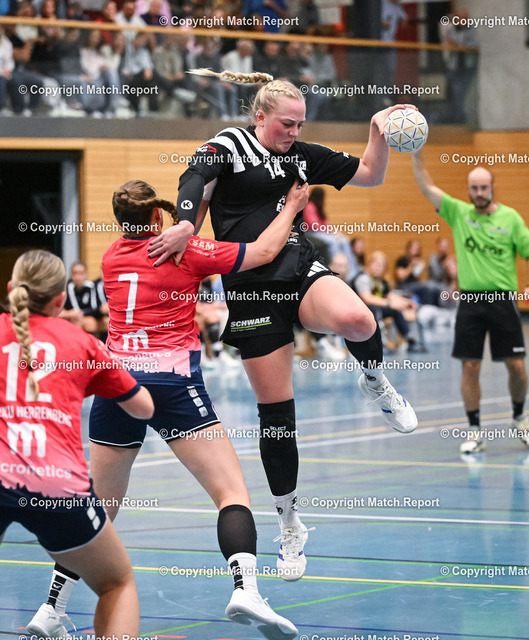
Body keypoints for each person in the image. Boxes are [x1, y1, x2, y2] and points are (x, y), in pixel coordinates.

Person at [148, 73, 419, 582]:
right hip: (251, 288)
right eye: (285, 124)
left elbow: (369, 174)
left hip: (297, 269)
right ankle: (289, 521)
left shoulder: (302, 154)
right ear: (260, 116)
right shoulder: (231, 143)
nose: (293, 132)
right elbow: (193, 178)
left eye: (299, 125)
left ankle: (376, 381)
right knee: (277, 417)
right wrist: (185, 222)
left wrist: (376, 133)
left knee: (359, 319)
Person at [28, 179, 308, 638]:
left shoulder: (111, 257)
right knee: (231, 493)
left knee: (98, 508)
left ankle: (50, 609)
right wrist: (293, 205)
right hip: (173, 386)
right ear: (158, 216)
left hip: (117, 386)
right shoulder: (187, 252)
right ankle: (246, 590)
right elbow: (262, 251)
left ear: (120, 220)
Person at [1, 250, 154, 637]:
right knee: (116, 583)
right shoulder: (81, 343)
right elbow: (143, 407)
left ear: (12, 288)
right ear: (60, 299)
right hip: (57, 484)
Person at [412, 150, 529, 453]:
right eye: (474, 188)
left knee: (516, 365)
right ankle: (474, 432)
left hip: (502, 300)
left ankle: (519, 416)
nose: (480, 193)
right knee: (470, 366)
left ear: (493, 187)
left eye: (484, 187)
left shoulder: (510, 218)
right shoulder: (458, 213)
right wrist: (417, 157)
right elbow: (427, 187)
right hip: (470, 302)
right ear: (468, 190)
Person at [60, 261, 109, 337]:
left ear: (86, 274)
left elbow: (97, 309)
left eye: (81, 273)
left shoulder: (91, 287)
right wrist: (70, 314)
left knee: (104, 322)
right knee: (84, 322)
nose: (78, 277)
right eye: (75, 273)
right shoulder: (66, 289)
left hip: (90, 320)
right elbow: (59, 312)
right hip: (74, 322)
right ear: (71, 275)